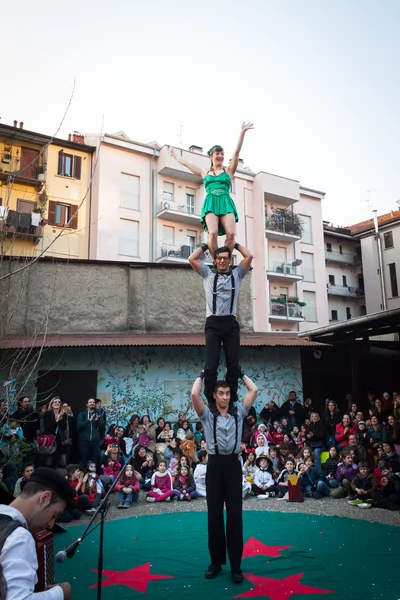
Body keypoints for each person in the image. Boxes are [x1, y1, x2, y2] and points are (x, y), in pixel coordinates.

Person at [191, 373, 258, 583]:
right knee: (215, 517)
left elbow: (254, 390)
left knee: (235, 516)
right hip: (215, 465)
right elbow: (194, 393)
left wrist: (240, 374)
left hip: (232, 465)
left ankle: (236, 566)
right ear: (214, 395)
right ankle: (216, 562)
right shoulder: (208, 415)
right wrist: (202, 375)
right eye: (221, 394)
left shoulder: (239, 411)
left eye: (228, 393)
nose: (225, 397)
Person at [170, 123, 254, 256]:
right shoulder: (205, 172)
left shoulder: (229, 171)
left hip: (225, 201)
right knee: (212, 233)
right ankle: (216, 261)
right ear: (211, 156)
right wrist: (175, 156)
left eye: (222, 153)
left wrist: (242, 132)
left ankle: (225, 259)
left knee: (231, 234)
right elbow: (187, 164)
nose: (220, 156)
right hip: (211, 203)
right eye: (217, 153)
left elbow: (236, 153)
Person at [189, 243, 253, 404]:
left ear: (230, 260)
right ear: (215, 260)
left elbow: (249, 257)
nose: (223, 261)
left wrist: (235, 244)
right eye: (219, 258)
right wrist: (206, 245)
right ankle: (211, 396)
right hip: (213, 323)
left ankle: (231, 397)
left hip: (230, 323)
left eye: (225, 258)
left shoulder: (237, 275)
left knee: (233, 363)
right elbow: (192, 258)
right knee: (211, 363)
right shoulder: (208, 275)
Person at [0, 467, 75, 600]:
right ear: (44, 498)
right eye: (54, 515)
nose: (51, 525)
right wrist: (61, 593)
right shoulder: (19, 537)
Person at [77, 398, 105, 465]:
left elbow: (102, 427)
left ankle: (92, 475)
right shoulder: (82, 414)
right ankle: (83, 474)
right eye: (90, 402)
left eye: (93, 402)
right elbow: (79, 425)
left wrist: (97, 421)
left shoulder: (98, 414)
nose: (92, 403)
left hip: (95, 441)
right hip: (84, 441)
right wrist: (88, 421)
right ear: (87, 404)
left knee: (93, 460)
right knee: (83, 459)